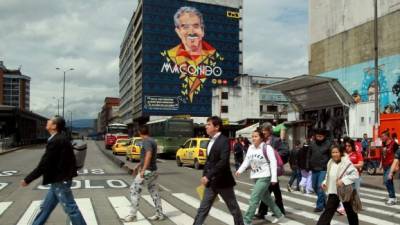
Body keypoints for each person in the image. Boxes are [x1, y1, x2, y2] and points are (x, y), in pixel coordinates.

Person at [20, 116, 87, 225]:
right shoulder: (60, 138)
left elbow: (44, 164)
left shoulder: (57, 141)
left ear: (54, 126)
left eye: (49, 121)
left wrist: (28, 179)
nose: (47, 121)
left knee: (71, 209)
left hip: (60, 181)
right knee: (45, 208)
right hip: (58, 180)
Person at [161, 6, 223, 102]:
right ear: (178, 31)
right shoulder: (167, 57)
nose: (191, 31)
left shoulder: (217, 58)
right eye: (185, 27)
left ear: (202, 30)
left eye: (196, 26)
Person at [193, 116, 244, 225]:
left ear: (216, 127)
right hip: (210, 183)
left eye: (209, 124)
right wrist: (205, 175)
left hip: (223, 182)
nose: (206, 126)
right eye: (206, 124)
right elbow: (209, 162)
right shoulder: (209, 141)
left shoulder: (224, 141)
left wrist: (208, 175)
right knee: (203, 209)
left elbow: (223, 161)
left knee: (233, 208)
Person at [236, 129, 284, 225]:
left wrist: (274, 178)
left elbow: (273, 163)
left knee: (254, 198)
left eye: (256, 136)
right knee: (266, 198)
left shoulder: (267, 148)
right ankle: (279, 215)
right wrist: (239, 170)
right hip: (255, 176)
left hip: (265, 176)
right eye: (252, 136)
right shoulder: (251, 148)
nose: (253, 138)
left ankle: (246, 221)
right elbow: (247, 161)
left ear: (261, 138)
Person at [121, 125, 164, 222]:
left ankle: (132, 215)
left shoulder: (146, 141)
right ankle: (159, 214)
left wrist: (143, 170)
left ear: (140, 133)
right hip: (153, 171)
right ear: (148, 131)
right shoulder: (152, 141)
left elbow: (148, 155)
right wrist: (138, 166)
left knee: (134, 190)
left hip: (147, 171)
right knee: (154, 191)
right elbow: (147, 157)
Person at [317, 145, 359, 225]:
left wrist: (343, 181)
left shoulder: (346, 162)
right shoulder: (330, 162)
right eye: (333, 152)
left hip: (345, 191)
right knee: (328, 211)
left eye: (336, 152)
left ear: (341, 153)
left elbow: (355, 174)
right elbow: (328, 175)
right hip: (334, 191)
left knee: (351, 213)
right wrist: (325, 182)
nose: (334, 154)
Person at [255, 122, 288, 219]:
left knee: (266, 191)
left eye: (264, 131)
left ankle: (262, 212)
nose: (262, 133)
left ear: (269, 131)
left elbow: (285, 151)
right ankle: (280, 210)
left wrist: (273, 155)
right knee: (273, 191)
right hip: (264, 170)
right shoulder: (261, 141)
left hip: (272, 170)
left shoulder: (276, 140)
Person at [308, 128, 331, 212]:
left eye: (321, 135)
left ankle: (319, 206)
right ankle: (324, 201)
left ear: (324, 136)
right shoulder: (312, 143)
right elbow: (308, 155)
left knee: (320, 187)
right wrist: (308, 165)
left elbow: (331, 156)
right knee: (314, 186)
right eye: (317, 135)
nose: (319, 137)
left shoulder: (328, 144)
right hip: (314, 168)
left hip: (323, 169)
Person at [380, 131, 399, 205]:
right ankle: (393, 197)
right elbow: (383, 155)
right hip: (385, 165)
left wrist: (397, 165)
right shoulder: (383, 144)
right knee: (388, 181)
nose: (381, 138)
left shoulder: (394, 144)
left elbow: (398, 155)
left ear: (387, 136)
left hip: (391, 165)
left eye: (383, 136)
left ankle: (392, 197)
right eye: (381, 137)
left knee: (387, 180)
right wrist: (381, 164)